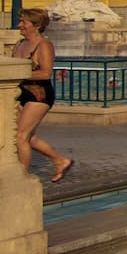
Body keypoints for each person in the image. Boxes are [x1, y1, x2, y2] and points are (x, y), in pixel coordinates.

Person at [13, 9, 75, 183]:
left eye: (24, 22)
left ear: (36, 26)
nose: (19, 25)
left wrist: (18, 75)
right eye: (20, 21)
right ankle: (60, 161)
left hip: (39, 95)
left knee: (20, 136)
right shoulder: (19, 44)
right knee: (29, 137)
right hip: (21, 93)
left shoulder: (44, 45)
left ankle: (22, 180)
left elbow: (46, 73)